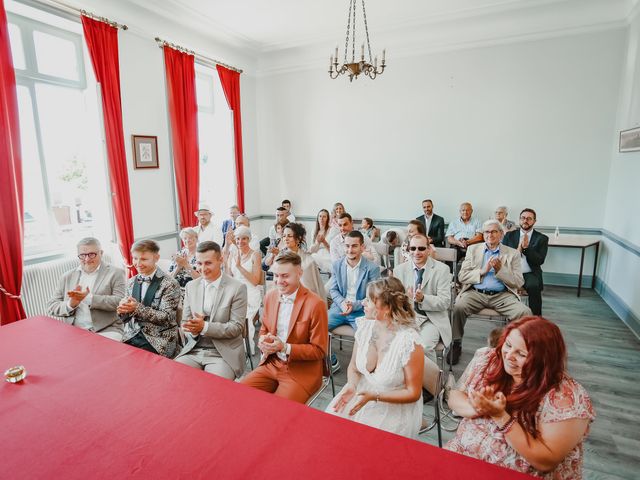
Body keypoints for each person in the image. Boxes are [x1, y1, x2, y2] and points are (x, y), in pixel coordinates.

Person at [446, 316, 595, 479]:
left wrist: (501, 417)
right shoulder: (489, 359)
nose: (509, 356)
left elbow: (545, 461)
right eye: (508, 345)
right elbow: (454, 397)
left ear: (543, 360)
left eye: (521, 354)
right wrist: (477, 407)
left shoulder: (565, 397)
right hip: (461, 459)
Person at [325, 277, 424, 438]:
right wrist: (352, 385)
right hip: (361, 392)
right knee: (331, 432)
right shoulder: (365, 326)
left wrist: (375, 397)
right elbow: (354, 368)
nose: (363, 303)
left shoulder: (409, 341)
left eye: (369, 300)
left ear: (386, 308)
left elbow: (413, 393)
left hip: (393, 407)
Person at [240, 251, 328, 404]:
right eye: (276, 275)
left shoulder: (316, 304)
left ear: (299, 273)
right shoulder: (270, 296)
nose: (279, 281)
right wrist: (263, 340)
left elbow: (319, 351)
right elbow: (265, 328)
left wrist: (285, 348)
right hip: (271, 364)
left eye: (285, 276)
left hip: (300, 371)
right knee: (238, 395)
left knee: (278, 411)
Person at [449, 220, 532, 365]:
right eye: (487, 232)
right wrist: (483, 271)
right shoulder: (473, 249)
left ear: (501, 234)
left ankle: (515, 347)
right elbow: (462, 276)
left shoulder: (512, 253)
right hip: (476, 293)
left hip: (502, 295)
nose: (490, 235)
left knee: (524, 312)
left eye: (494, 231)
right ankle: (456, 343)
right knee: (458, 307)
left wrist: (501, 270)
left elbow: (519, 282)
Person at [174, 241, 248, 379]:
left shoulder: (237, 288)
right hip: (194, 349)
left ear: (221, 260)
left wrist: (205, 327)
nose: (202, 268)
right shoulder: (191, 286)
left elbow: (236, 327)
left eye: (208, 263)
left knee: (214, 388)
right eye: (199, 263)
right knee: (175, 377)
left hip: (223, 353)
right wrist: (193, 330)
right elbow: (185, 322)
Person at [46, 237, 125, 340]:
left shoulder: (116, 273)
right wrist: (70, 304)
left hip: (107, 330)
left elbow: (120, 301)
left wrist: (89, 299)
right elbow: (51, 306)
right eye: (82, 255)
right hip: (74, 331)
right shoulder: (67, 276)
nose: (87, 259)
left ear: (101, 253)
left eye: (92, 254)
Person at [117, 240, 181, 358]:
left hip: (159, 339)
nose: (138, 263)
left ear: (156, 258)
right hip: (132, 335)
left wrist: (137, 308)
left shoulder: (170, 283)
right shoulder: (131, 282)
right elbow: (125, 319)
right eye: (135, 258)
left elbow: (166, 318)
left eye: (144, 259)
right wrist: (122, 311)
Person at [328, 230, 381, 372]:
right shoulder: (337, 265)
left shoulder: (372, 268)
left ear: (362, 247)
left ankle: (363, 369)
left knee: (367, 338)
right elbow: (333, 290)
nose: (350, 250)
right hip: (339, 308)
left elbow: (372, 296)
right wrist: (343, 303)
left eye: (354, 246)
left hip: (361, 310)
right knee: (316, 326)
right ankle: (331, 360)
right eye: (347, 246)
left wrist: (354, 305)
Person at [393, 234, 452, 355]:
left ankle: (430, 374)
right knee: (395, 344)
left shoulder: (442, 269)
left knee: (422, 347)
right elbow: (394, 301)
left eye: (421, 248)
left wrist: (423, 299)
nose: (416, 252)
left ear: (429, 250)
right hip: (407, 318)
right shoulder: (399, 270)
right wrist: (404, 299)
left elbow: (445, 302)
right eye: (413, 248)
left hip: (431, 319)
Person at [502, 208, 549, 316]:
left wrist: (527, 249)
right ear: (519, 220)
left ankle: (535, 319)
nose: (525, 221)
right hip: (510, 271)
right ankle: (508, 313)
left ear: (534, 221)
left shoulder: (542, 238)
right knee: (498, 284)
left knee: (534, 286)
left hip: (530, 273)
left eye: (529, 218)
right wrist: (517, 251)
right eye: (523, 218)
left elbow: (540, 260)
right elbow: (503, 256)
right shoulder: (509, 236)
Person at [225, 226, 263, 355]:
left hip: (250, 292)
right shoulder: (233, 253)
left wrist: (239, 267)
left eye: (244, 239)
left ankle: (246, 349)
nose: (241, 241)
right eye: (238, 239)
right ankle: (233, 347)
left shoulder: (255, 255)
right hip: (236, 291)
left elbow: (256, 281)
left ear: (249, 239)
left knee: (244, 319)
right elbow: (229, 275)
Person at [264, 222, 326, 301]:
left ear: (298, 238)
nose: (286, 239)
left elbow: (311, 289)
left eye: (289, 236)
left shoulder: (308, 262)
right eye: (284, 236)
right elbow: (276, 285)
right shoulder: (280, 257)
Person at [309, 208, 333, 272]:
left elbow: (333, 250)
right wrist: (318, 243)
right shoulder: (314, 230)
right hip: (317, 253)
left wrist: (324, 241)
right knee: (310, 257)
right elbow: (313, 249)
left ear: (327, 218)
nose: (321, 218)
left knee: (313, 257)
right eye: (320, 216)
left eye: (324, 217)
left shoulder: (331, 230)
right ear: (317, 218)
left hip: (328, 254)